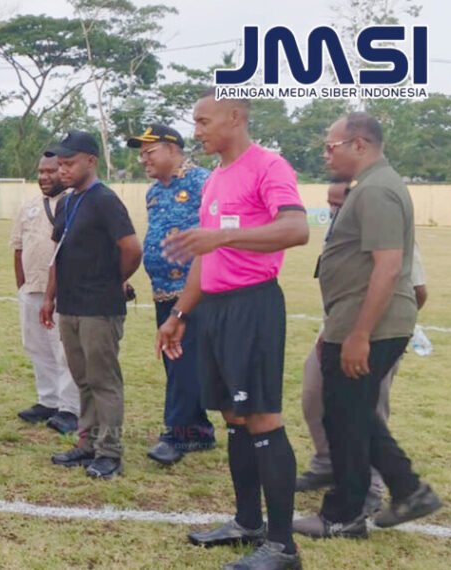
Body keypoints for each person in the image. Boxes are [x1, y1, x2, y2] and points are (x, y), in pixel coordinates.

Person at [156, 90, 308, 570]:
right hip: (214, 311)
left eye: (203, 121)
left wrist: (223, 235)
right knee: (234, 419)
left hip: (253, 307)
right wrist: (180, 315)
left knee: (262, 417)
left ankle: (283, 546)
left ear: (235, 118)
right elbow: (207, 255)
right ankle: (247, 522)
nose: (196, 131)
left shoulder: (269, 166)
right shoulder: (216, 178)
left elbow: (296, 229)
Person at [292, 113, 443, 539]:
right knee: (351, 414)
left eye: (331, 145)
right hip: (355, 322)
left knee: (346, 419)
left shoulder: (377, 190)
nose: (326, 153)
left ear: (359, 144)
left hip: (369, 326)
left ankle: (344, 515)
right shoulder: (370, 187)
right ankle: (408, 491)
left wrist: (359, 334)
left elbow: (389, 266)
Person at [296, 181, 429, 515]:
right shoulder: (343, 234)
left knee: (364, 411)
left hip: (373, 334)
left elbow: (417, 292)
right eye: (329, 203)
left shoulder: (384, 228)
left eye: (339, 203)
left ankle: (372, 487)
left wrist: (369, 333)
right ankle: (328, 463)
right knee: (316, 394)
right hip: (336, 330)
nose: (333, 210)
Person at [40, 130, 141, 480]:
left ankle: (109, 452)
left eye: (69, 163)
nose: (62, 170)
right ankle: (87, 444)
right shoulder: (67, 201)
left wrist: (113, 280)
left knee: (103, 380)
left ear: (91, 161)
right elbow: (58, 252)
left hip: (99, 307)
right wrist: (51, 296)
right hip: (69, 305)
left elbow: (132, 249)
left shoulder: (105, 200)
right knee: (82, 379)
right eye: (60, 163)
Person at [127, 124, 215, 466]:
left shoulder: (203, 182)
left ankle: (179, 432)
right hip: (162, 290)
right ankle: (198, 429)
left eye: (149, 152)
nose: (142, 159)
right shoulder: (153, 192)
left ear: (173, 150)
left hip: (193, 290)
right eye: (141, 154)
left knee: (182, 359)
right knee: (174, 359)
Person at [10, 154, 79, 435]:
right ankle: (48, 400)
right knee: (37, 346)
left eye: (51, 171)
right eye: (40, 171)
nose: (44, 176)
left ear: (64, 171)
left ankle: (70, 408)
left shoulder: (76, 203)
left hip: (63, 291)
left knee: (65, 350)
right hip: (32, 288)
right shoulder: (28, 207)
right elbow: (17, 247)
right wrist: (22, 285)